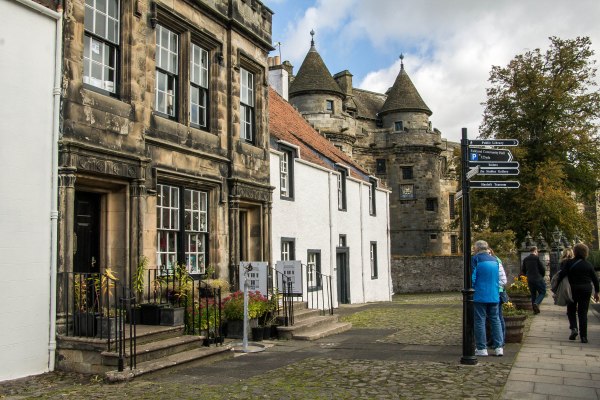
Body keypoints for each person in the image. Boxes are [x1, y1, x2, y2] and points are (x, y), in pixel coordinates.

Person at [555, 243, 599, 343]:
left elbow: (561, 275)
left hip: (572, 289)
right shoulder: (588, 265)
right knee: (583, 313)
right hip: (586, 290)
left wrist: (556, 289)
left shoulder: (569, 263)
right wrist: (597, 292)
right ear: (585, 253)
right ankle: (584, 337)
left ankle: (574, 328)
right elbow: (595, 280)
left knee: (571, 310)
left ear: (575, 252)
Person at [472, 240, 503, 357]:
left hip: (480, 294)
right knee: (495, 320)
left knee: (480, 321)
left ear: (477, 248)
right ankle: (499, 347)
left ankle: (481, 348)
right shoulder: (495, 260)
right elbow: (499, 278)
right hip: (494, 294)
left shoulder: (475, 259)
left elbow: (472, 277)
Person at [489, 248, 508, 344]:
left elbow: (503, 280)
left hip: (498, 292)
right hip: (493, 292)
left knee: (498, 317)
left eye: (488, 253)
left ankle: (501, 340)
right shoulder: (492, 261)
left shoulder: (496, 261)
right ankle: (494, 339)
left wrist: (494, 285)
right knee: (494, 317)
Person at [521, 246, 546, 314]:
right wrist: (542, 275)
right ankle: (536, 303)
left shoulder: (526, 259)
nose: (537, 252)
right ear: (535, 251)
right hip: (538, 278)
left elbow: (523, 270)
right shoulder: (536, 258)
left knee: (533, 294)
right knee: (542, 292)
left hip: (530, 279)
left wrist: (527, 275)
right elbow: (542, 268)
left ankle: (535, 310)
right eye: (537, 251)